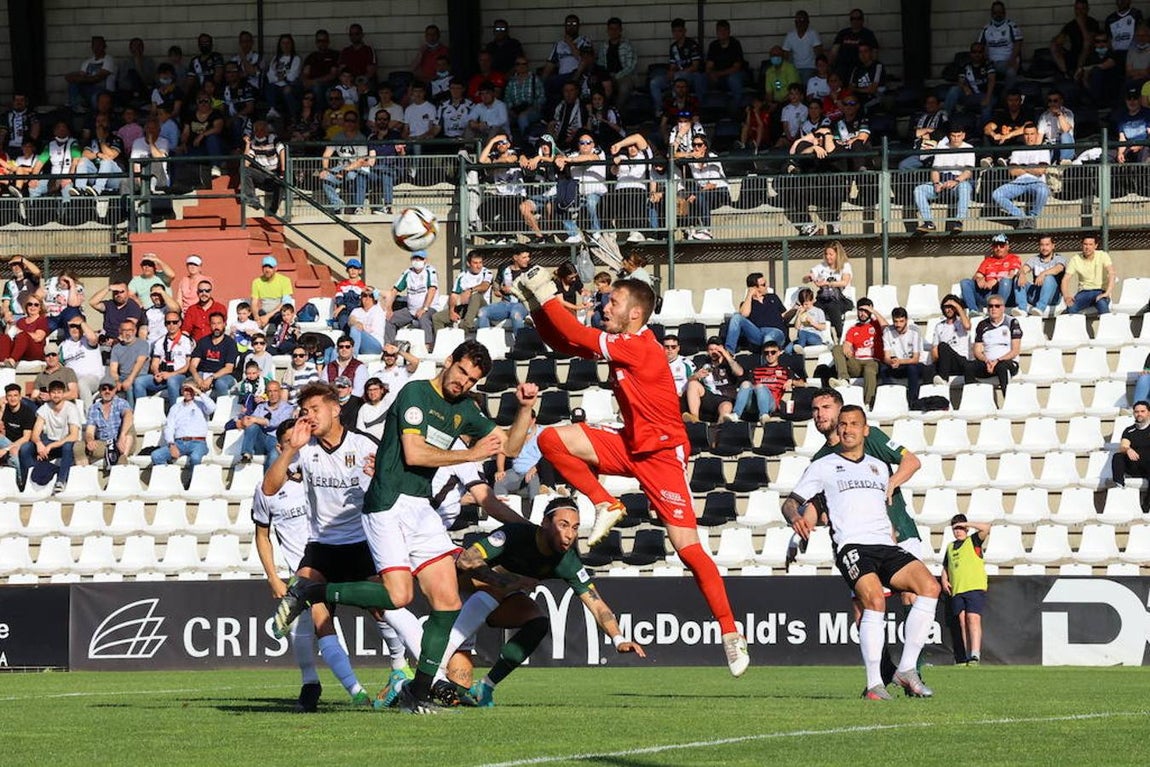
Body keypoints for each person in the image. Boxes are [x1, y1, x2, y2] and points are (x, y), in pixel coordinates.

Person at [509, 268, 751, 676]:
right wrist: (536, 306)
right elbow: (562, 340)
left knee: (689, 551)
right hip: (630, 442)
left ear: (635, 314)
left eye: (614, 302)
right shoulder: (624, 343)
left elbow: (574, 331)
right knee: (550, 440)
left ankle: (730, 633)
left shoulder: (638, 347)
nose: (606, 306)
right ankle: (605, 501)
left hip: (661, 456)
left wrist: (545, 291)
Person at [271, 348, 537, 714]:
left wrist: (523, 410)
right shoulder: (416, 393)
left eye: (472, 380)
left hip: (420, 507)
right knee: (397, 597)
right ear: (448, 362)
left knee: (448, 602)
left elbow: (510, 444)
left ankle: (419, 690)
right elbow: (414, 454)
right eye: (461, 371)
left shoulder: (463, 410)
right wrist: (470, 454)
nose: (463, 382)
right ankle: (312, 590)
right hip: (388, 504)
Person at [259, 384, 418, 709]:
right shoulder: (305, 451)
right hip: (323, 546)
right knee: (309, 595)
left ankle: (417, 669)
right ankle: (324, 682)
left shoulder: (363, 445)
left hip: (363, 542)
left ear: (335, 409)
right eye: (304, 411)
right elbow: (269, 487)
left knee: (388, 607)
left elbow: (399, 485)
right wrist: (290, 450)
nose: (310, 416)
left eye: (315, 409)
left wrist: (382, 478)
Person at [783, 405, 939, 700]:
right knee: (875, 601)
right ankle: (874, 686)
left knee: (929, 586)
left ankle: (906, 670)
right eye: (843, 424)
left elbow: (882, 502)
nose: (848, 429)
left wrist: (892, 531)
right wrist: (796, 520)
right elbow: (792, 502)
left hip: (885, 544)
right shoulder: (823, 465)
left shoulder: (880, 467)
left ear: (865, 430)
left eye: (854, 424)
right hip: (852, 546)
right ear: (838, 429)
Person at [445, 498, 645, 707]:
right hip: (458, 595)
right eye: (563, 525)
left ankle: (486, 686)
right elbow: (467, 560)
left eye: (575, 528)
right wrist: (510, 582)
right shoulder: (515, 534)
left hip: (495, 599)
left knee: (537, 622)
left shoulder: (567, 561)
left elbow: (596, 604)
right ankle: (415, 675)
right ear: (545, 523)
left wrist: (618, 639)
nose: (569, 535)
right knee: (454, 693)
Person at [808, 387, 925, 686]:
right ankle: (883, 675)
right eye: (815, 409)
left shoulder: (869, 437)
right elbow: (818, 505)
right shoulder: (822, 459)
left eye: (826, 407)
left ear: (841, 410)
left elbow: (910, 461)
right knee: (863, 605)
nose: (821, 414)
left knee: (913, 591)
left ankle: (913, 670)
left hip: (895, 528)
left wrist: (891, 485)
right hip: (855, 540)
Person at [251, 419, 322, 712]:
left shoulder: (320, 473)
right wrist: (273, 577)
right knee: (303, 627)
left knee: (382, 608)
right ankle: (310, 684)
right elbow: (262, 535)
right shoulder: (267, 488)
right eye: (291, 442)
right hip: (302, 573)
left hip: (339, 559)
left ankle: (402, 670)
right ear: (281, 447)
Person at [941, 514, 991, 665]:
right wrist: (944, 578)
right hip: (958, 588)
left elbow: (986, 528)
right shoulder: (950, 547)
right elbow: (946, 565)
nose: (958, 531)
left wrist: (967, 523)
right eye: (955, 528)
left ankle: (975, 654)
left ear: (966, 528)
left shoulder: (973, 540)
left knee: (973, 619)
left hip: (974, 587)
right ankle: (965, 655)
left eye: (961, 528)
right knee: (962, 622)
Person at [20, 380, 82, 494]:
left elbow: (74, 436)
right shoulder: (45, 408)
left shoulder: (71, 408)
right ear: (49, 393)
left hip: (64, 444)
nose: (56, 395)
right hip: (48, 442)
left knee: (68, 446)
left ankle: (61, 481)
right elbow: (35, 433)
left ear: (63, 393)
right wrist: (39, 444)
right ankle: (30, 478)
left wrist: (50, 446)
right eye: (54, 392)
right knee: (26, 448)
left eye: (59, 392)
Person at [913, 124, 976, 235]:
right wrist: (936, 183)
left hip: (958, 182)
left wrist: (955, 181)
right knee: (919, 189)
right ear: (949, 136)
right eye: (953, 136)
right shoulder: (942, 147)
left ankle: (958, 222)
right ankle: (929, 223)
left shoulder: (969, 148)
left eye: (958, 136)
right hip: (943, 181)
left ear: (963, 136)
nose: (956, 138)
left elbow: (968, 172)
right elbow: (935, 169)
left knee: (965, 187)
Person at [992, 122, 1051, 229]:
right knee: (997, 194)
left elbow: (1041, 170)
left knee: (1044, 191)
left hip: (1037, 182)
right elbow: (1013, 172)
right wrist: (1031, 168)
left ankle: (1032, 216)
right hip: (1019, 182)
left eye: (1032, 134)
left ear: (1037, 134)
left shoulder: (1043, 149)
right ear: (1023, 136)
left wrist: (1022, 167)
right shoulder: (1018, 149)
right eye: (1026, 134)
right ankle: (1023, 217)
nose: (1029, 137)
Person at [830, 297, 887, 407]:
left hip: (872, 361)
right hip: (856, 363)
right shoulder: (853, 329)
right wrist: (846, 346)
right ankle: (844, 379)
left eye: (865, 311)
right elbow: (847, 344)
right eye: (860, 311)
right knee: (837, 348)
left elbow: (887, 328)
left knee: (869, 369)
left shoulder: (876, 325)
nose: (862, 314)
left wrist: (873, 312)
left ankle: (868, 402)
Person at [731, 339, 804, 424]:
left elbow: (802, 383)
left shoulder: (785, 370)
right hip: (753, 404)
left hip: (771, 403)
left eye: (773, 352)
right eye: (766, 353)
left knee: (760, 386)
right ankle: (736, 414)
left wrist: (791, 381)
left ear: (779, 353)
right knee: (746, 384)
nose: (769, 355)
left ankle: (764, 415)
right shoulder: (756, 370)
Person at [133, 310, 195, 407]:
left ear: (179, 323)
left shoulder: (186, 341)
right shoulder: (160, 342)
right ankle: (143, 412)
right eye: (168, 322)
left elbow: (187, 366)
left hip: (180, 376)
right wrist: (157, 374)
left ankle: (174, 413)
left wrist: (171, 374)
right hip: (163, 374)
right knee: (139, 381)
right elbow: (154, 364)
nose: (171, 325)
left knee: (172, 380)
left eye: (174, 322)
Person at [964, 296, 1023, 392]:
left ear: (1003, 308)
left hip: (1007, 362)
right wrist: (986, 361)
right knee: (968, 366)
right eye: (990, 306)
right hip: (988, 363)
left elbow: (1015, 351)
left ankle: (1007, 400)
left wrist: (997, 360)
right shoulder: (982, 325)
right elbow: (977, 351)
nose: (993, 309)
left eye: (997, 306)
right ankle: (973, 397)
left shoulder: (1012, 322)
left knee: (1001, 367)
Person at [151, 381, 214, 468]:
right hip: (179, 443)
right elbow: (169, 427)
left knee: (195, 458)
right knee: (156, 455)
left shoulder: (201, 404)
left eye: (191, 390)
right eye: (185, 390)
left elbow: (212, 407)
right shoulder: (175, 407)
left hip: (198, 443)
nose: (188, 392)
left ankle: (193, 480)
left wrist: (198, 391)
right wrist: (171, 444)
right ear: (182, 391)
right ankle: (170, 476)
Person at [383, 251, 438, 348]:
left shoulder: (430, 271)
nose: (417, 261)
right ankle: (390, 346)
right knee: (390, 319)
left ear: (425, 260)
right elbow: (394, 290)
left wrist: (424, 308)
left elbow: (432, 290)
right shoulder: (408, 273)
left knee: (423, 318)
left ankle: (427, 346)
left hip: (429, 308)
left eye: (420, 259)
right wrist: (389, 308)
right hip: (410, 310)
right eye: (415, 258)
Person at [651, 18, 707, 110]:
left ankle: (676, 109)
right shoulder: (673, 47)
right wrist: (671, 72)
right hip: (678, 74)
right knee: (654, 83)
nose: (677, 34)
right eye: (674, 31)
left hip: (692, 75)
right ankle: (661, 110)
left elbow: (695, 67)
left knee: (678, 78)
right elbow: (673, 66)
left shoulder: (692, 45)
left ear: (684, 31)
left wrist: (679, 73)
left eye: (679, 31)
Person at [960, 233, 1022, 313]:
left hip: (1006, 295)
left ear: (1007, 246)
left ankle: (998, 310)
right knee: (965, 282)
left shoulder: (1013, 258)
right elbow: (977, 275)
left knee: (1005, 281)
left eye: (1001, 245)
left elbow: (1012, 274)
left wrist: (995, 281)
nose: (998, 248)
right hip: (987, 294)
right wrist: (980, 279)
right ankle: (973, 311)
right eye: (995, 246)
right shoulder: (988, 260)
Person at [433, 251, 492, 335]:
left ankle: (466, 325)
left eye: (480, 263)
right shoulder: (462, 276)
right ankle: (442, 343)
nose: (479, 266)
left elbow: (485, 286)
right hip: (465, 307)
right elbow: (454, 295)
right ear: (468, 263)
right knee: (437, 317)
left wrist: (470, 290)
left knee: (475, 295)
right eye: (475, 263)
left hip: (482, 307)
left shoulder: (486, 272)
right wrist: (451, 311)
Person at [725, 272, 786, 353]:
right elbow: (744, 314)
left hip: (776, 332)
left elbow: (784, 316)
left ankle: (766, 364)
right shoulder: (747, 303)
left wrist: (795, 309)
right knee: (736, 316)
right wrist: (750, 294)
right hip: (757, 333)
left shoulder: (773, 297)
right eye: (763, 284)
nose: (767, 286)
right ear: (754, 287)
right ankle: (729, 352)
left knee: (768, 338)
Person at [805, 241, 854, 339]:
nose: (828, 257)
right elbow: (810, 275)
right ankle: (822, 336)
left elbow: (844, 282)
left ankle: (841, 335)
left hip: (842, 299)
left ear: (837, 254)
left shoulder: (845, 266)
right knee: (813, 308)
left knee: (832, 306)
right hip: (825, 298)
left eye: (831, 254)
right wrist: (810, 277)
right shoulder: (822, 266)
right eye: (826, 254)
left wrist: (828, 283)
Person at [237, 380, 293, 466]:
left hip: (276, 440)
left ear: (280, 392)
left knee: (274, 455)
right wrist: (245, 420)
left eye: (275, 391)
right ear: (266, 393)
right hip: (260, 439)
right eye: (269, 391)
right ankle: (246, 454)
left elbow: (275, 422)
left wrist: (256, 419)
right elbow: (251, 420)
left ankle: (267, 479)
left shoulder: (287, 408)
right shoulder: (261, 407)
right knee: (253, 426)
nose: (272, 394)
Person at [84, 376, 134, 466]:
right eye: (104, 389)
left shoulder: (121, 403)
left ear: (115, 390)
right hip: (105, 443)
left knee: (129, 426)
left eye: (110, 388)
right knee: (78, 447)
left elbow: (129, 415)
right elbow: (89, 432)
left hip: (121, 441)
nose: (107, 391)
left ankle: (123, 458)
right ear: (100, 391)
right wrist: (90, 440)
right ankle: (85, 475)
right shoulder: (93, 408)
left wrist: (122, 436)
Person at [880, 307, 926, 406]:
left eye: (901, 321)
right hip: (898, 363)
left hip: (916, 365)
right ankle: (890, 400)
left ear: (906, 320)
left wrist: (899, 361)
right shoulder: (888, 331)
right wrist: (891, 362)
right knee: (883, 368)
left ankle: (912, 401)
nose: (898, 325)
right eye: (896, 321)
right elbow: (886, 357)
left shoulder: (915, 331)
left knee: (912, 368)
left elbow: (915, 359)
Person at [1061, 233, 1116, 314]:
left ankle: (1108, 326)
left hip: (1101, 291)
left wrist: (1107, 293)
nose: (1087, 247)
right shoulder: (1075, 259)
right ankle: (1077, 327)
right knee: (1071, 308)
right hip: (1084, 292)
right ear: (1082, 245)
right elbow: (1065, 279)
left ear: (1096, 246)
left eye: (1090, 244)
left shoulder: (1103, 255)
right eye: (1085, 244)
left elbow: (1111, 273)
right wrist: (1066, 296)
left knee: (1102, 304)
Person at [186, 312, 238, 398]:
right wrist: (197, 378)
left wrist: (211, 377)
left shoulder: (230, 343)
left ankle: (222, 410)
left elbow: (229, 368)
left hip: (223, 375)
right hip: (202, 373)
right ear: (210, 325)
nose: (216, 327)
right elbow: (193, 365)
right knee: (187, 386)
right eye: (213, 323)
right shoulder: (203, 341)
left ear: (224, 324)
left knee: (220, 383)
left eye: (219, 323)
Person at [1016, 234, 1068, 316]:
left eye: (1047, 245)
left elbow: (1059, 268)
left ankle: (1040, 308)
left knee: (1049, 278)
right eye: (1042, 245)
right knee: (1018, 278)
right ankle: (1022, 309)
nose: (1044, 248)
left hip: (1052, 297)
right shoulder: (1034, 259)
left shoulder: (1058, 258)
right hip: (1036, 295)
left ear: (1053, 246)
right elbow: (1024, 269)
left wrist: (1043, 274)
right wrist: (1021, 274)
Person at [931, 295, 973, 383]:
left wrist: (958, 306)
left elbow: (967, 326)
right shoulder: (939, 326)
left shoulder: (961, 322)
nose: (949, 310)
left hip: (960, 362)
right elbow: (934, 352)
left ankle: (943, 379)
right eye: (946, 307)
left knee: (943, 346)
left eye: (952, 307)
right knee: (927, 369)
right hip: (946, 363)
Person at [830, 9, 880, 80]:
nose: (855, 21)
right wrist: (830, 66)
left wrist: (871, 68)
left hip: (860, 68)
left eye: (858, 18)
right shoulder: (843, 33)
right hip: (843, 67)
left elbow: (874, 53)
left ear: (862, 20)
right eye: (852, 19)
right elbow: (833, 52)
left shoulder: (868, 34)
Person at [0, 383, 36, 478]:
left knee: (14, 451)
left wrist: (7, 449)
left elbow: (26, 437)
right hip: (7, 441)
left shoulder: (27, 412)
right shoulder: (5, 409)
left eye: (15, 395)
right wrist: (1, 409)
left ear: (20, 397)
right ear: (6, 397)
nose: (13, 398)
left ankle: (20, 480)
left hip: (22, 443)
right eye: (9, 396)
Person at [1112, 400, 1150, 488]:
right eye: (1136, 412)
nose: (1139, 414)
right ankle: (1119, 484)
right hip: (1135, 465)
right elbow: (1123, 446)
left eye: (1142, 411)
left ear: (1149, 413)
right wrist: (1128, 449)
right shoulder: (1129, 430)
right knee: (1118, 456)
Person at [251, 255, 295, 326]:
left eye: (270, 267)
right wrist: (257, 318)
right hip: (264, 311)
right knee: (246, 317)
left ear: (276, 268)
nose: (267, 270)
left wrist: (267, 316)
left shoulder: (285, 280)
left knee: (283, 316)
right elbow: (254, 302)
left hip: (278, 311)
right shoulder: (256, 282)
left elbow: (285, 302)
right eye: (265, 267)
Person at [785, 10, 825, 84]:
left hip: (810, 67)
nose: (800, 24)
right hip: (795, 68)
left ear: (807, 22)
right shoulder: (790, 35)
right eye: (797, 21)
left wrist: (820, 68)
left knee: (806, 85)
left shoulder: (813, 33)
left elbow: (819, 52)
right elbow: (785, 53)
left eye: (802, 21)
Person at [783, 287, 828, 354]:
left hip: (815, 337)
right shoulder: (801, 312)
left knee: (803, 332)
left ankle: (799, 350)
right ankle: (798, 351)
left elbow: (823, 327)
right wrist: (799, 315)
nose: (805, 306)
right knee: (787, 349)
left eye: (807, 304)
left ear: (812, 300)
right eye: (803, 304)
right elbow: (797, 327)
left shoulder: (818, 311)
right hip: (802, 338)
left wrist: (812, 323)